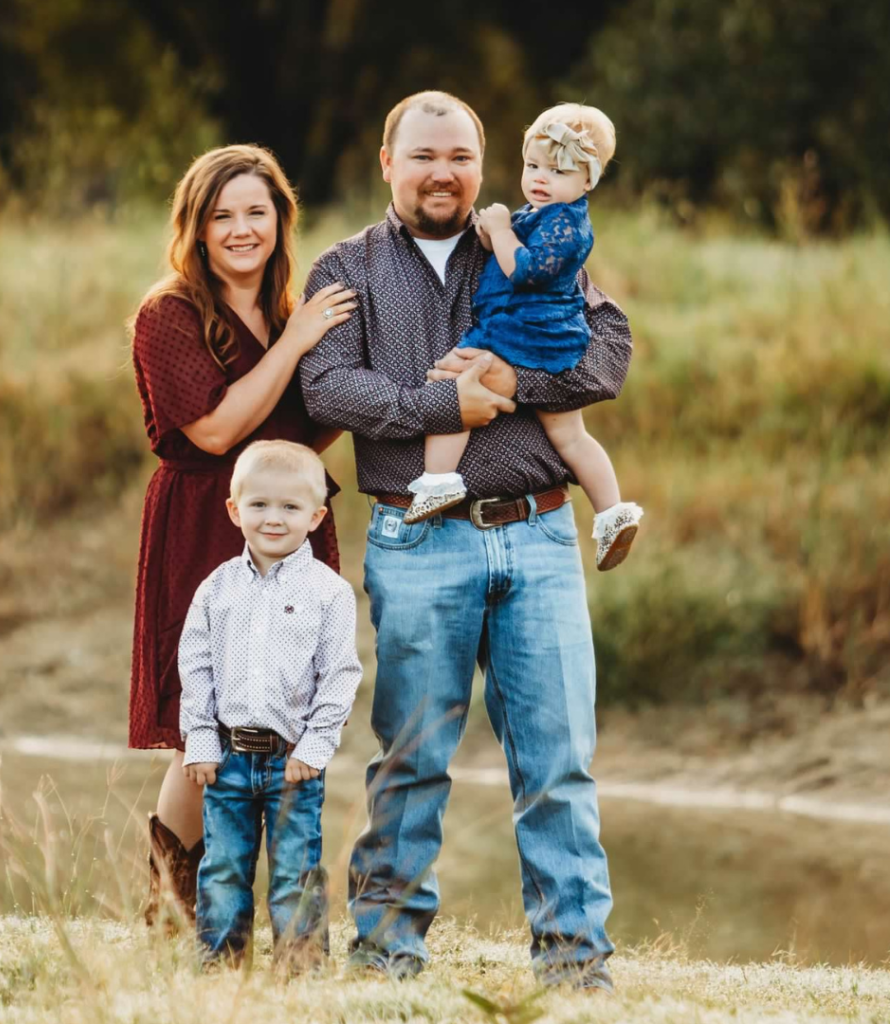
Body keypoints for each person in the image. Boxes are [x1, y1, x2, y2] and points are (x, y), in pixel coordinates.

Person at [299, 91, 631, 992]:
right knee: (411, 757)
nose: (442, 171)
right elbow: (325, 386)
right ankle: (386, 954)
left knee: (559, 761)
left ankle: (574, 965)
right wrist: (442, 405)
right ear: (386, 162)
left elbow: (609, 351)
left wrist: (514, 382)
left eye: (459, 155)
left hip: (539, 533)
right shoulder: (347, 269)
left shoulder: (538, 236)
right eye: (423, 155)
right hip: (417, 536)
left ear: (482, 164)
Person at [128, 144, 356, 928]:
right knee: (207, 723)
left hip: (293, 533)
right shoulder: (170, 315)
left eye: (256, 211)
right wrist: (295, 346)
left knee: (282, 718)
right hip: (206, 525)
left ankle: (274, 919)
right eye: (221, 215)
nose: (240, 229)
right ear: (194, 227)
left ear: (280, 219)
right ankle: (171, 912)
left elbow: (302, 430)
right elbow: (220, 428)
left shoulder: (293, 310)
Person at [404, 104, 642, 572]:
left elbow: (525, 270)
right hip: (538, 333)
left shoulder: (569, 227)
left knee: (452, 384)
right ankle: (611, 512)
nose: (540, 177)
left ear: (588, 181)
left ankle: (438, 480)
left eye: (558, 170)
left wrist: (498, 230)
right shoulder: (542, 214)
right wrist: (496, 231)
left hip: (522, 331)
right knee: (570, 437)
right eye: (533, 165)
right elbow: (506, 249)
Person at [179, 440, 363, 969]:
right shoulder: (217, 589)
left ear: (316, 515)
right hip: (230, 759)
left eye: (290, 507)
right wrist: (200, 739)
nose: (274, 519)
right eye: (259, 505)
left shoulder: (328, 592)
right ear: (235, 511)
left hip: (293, 763)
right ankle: (220, 967)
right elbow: (196, 668)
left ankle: (300, 968)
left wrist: (317, 744)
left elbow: (339, 675)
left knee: (295, 873)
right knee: (223, 868)